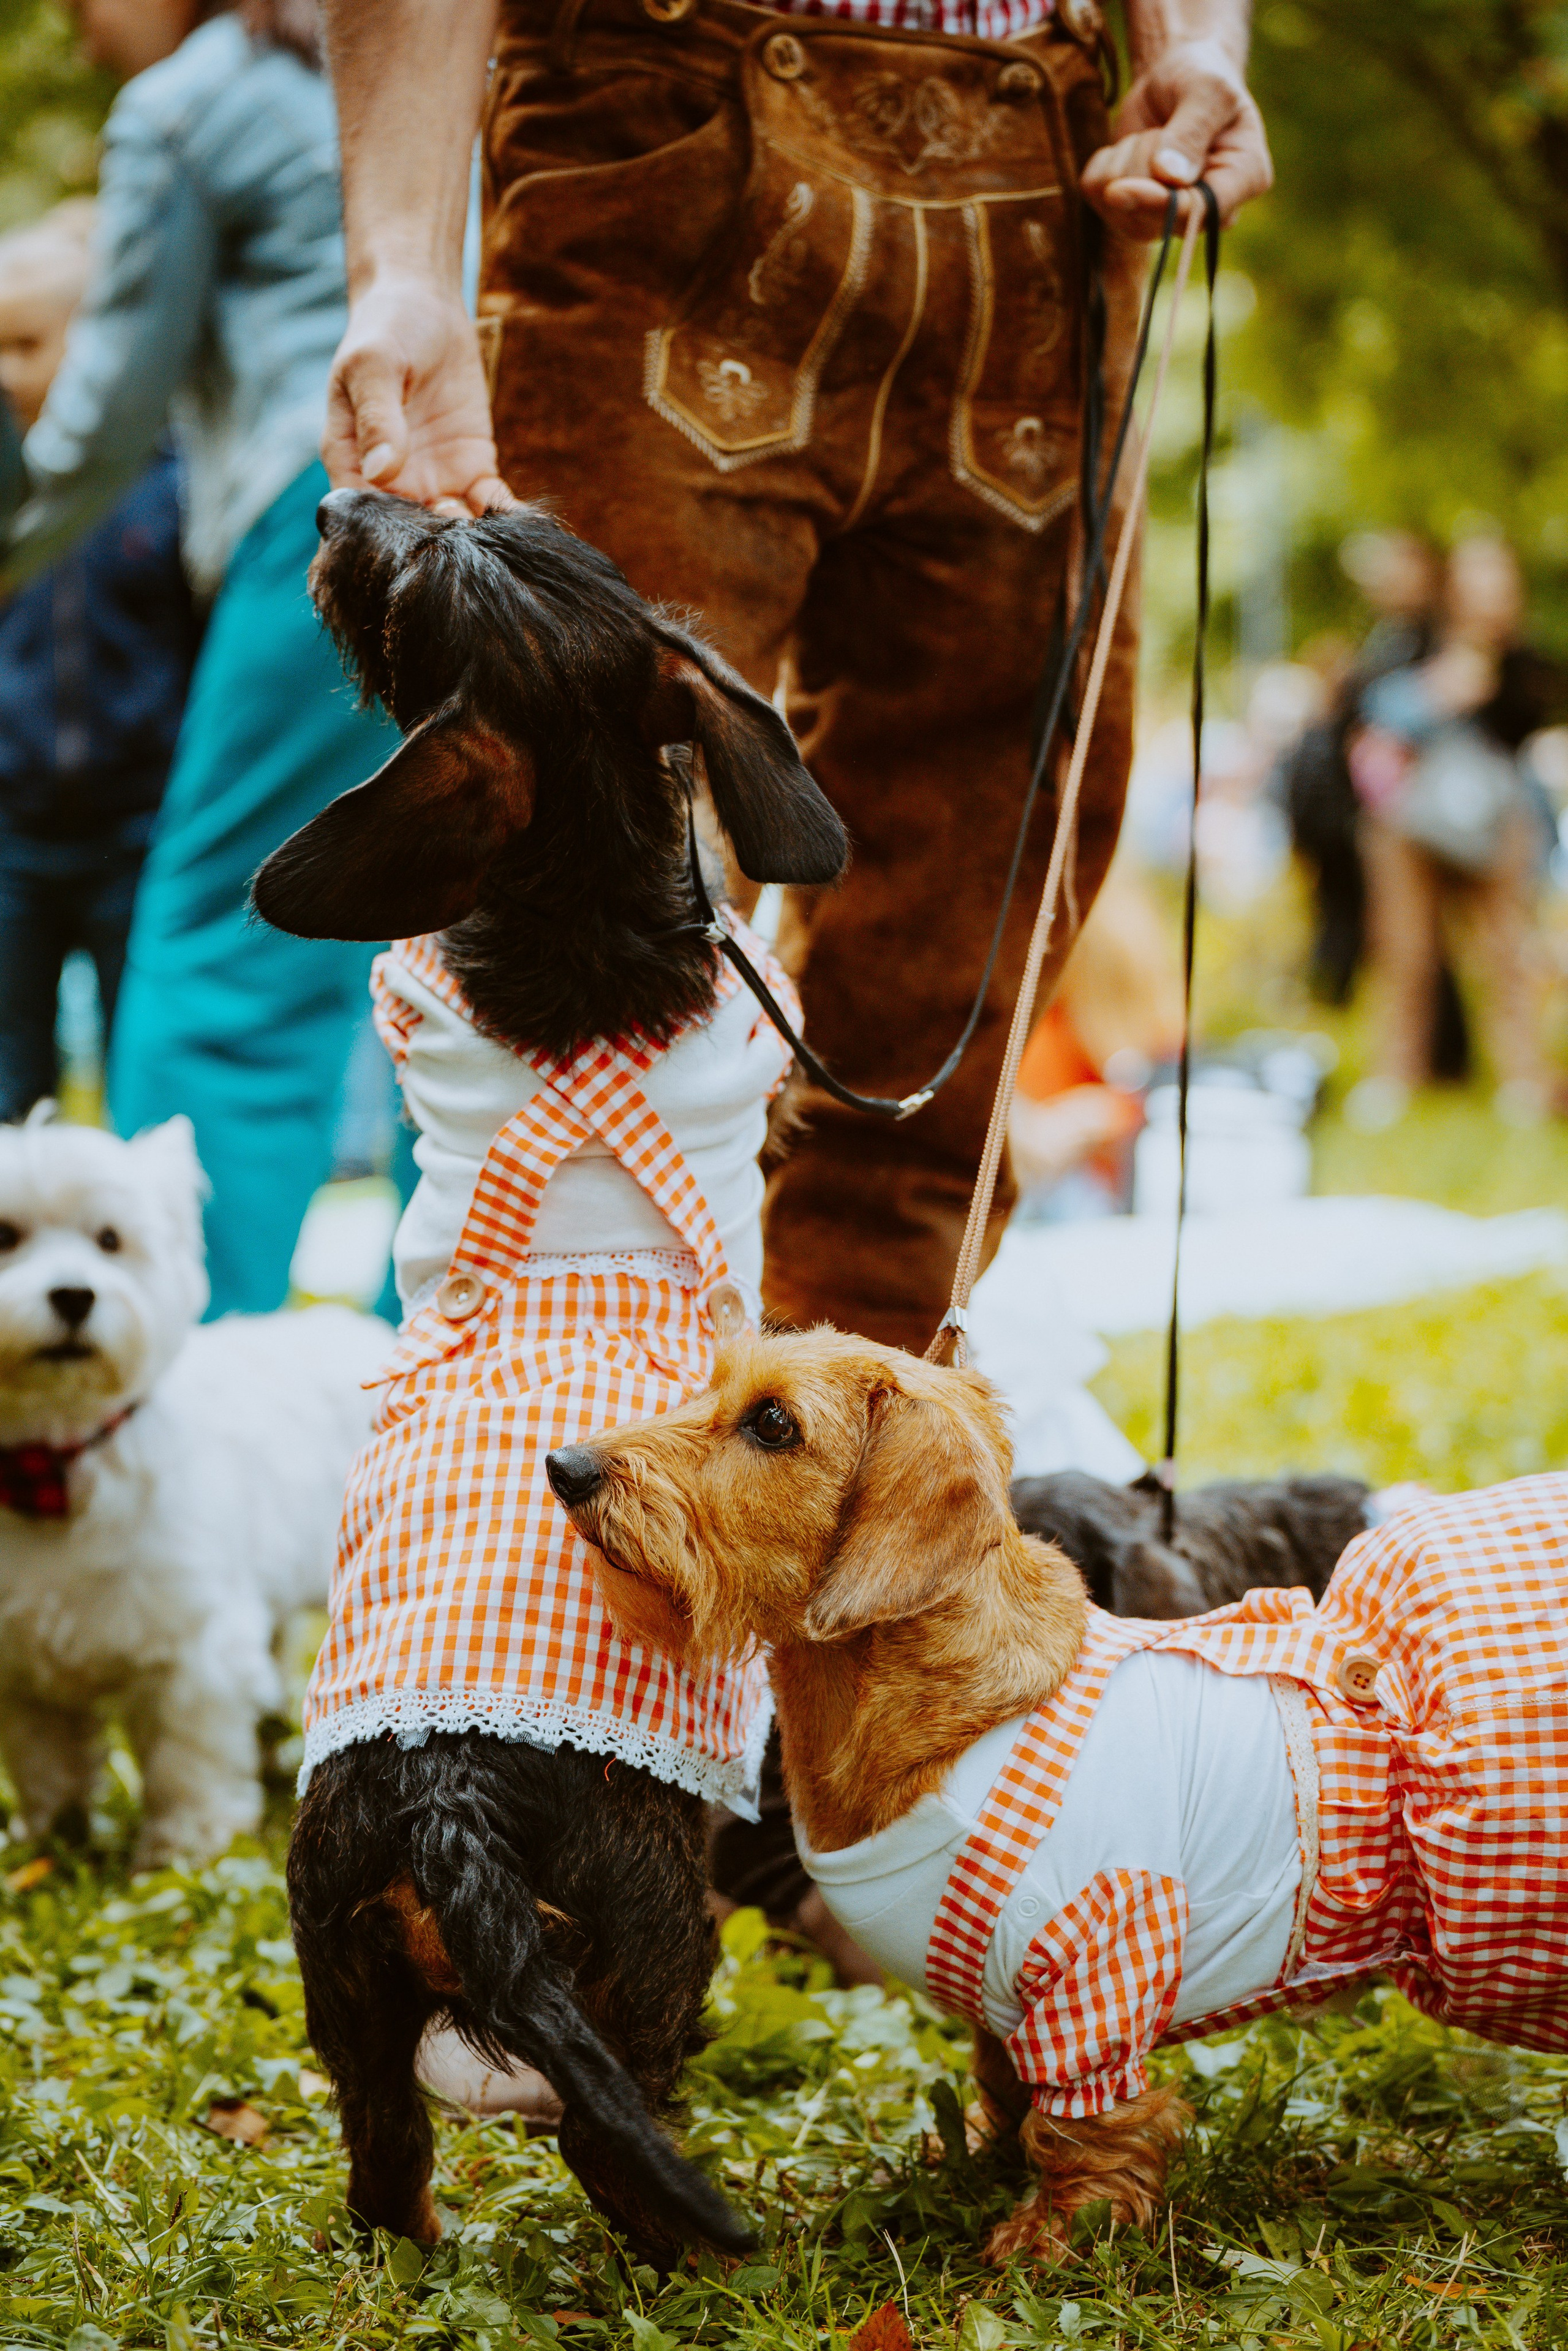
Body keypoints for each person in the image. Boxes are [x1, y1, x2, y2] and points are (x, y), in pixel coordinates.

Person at [311, 0, 1272, 1357]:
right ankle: (545, 1451)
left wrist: (1192, 45)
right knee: (572, 943)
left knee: (951, 972)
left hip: (1043, 182)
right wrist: (403, 264)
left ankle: (845, 1458)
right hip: (657, 126)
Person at [1, 0, 408, 1316]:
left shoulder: (190, 101)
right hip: (506, 503)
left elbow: (107, 402)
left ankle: (190, 1344)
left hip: (326, 506)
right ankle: (448, 1348)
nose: (78, 29)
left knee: (231, 941)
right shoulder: (409, 67)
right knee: (454, 941)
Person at [0, 205, 198, 1123]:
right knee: (10, 1075)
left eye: (26, 345)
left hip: (139, 830)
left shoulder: (168, 480)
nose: (6, 373)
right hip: (13, 834)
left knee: (143, 1064)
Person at [1346, 535, 1568, 1132]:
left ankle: (1522, 1080)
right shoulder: (1410, 640)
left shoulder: (1525, 658)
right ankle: (1395, 1076)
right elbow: (1366, 708)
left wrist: (1492, 677)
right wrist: (1435, 692)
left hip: (1497, 822)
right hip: (1409, 820)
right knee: (1405, 951)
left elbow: (1528, 727)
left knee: (1506, 953)